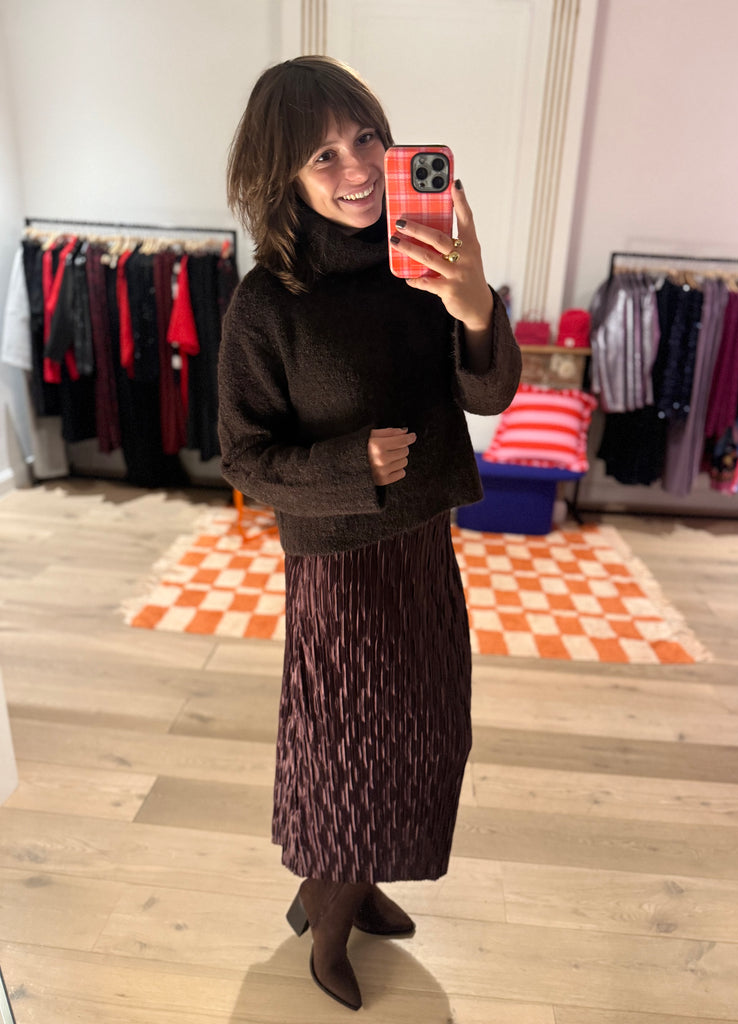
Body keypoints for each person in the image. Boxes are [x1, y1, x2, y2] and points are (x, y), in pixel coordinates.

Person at [219, 55, 521, 1011]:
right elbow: (244, 458)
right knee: (352, 749)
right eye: (322, 155)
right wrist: (353, 465)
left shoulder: (422, 265)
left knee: (428, 735)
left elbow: (489, 394)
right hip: (339, 571)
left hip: (424, 547)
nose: (354, 168)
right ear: (281, 175)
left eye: (366, 139)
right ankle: (327, 919)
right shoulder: (267, 303)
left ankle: (360, 877)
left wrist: (475, 307)